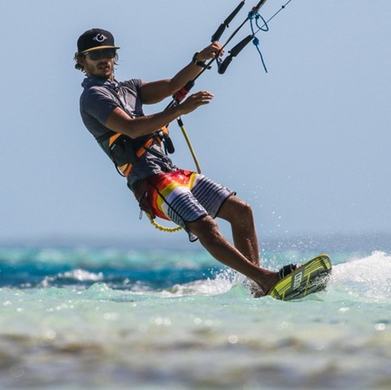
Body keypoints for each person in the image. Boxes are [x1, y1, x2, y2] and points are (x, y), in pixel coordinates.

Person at [75, 27, 290, 297]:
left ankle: (258, 287)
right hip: (149, 182)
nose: (103, 59)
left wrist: (199, 60)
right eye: (95, 55)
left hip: (170, 172)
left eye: (108, 53)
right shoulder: (93, 97)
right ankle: (265, 280)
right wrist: (181, 109)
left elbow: (171, 86)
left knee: (241, 211)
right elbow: (131, 128)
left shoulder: (129, 89)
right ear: (81, 61)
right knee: (205, 226)